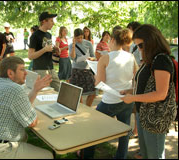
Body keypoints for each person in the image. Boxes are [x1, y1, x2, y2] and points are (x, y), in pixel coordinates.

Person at [0, 56, 53, 159]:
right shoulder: (15, 89)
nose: (26, 73)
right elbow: (32, 122)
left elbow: (22, 105)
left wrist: (35, 90)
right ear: (10, 73)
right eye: (22, 69)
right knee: (49, 155)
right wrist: (35, 112)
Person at [121, 24, 176, 159]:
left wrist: (133, 98)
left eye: (140, 45)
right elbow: (145, 85)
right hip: (143, 113)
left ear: (151, 41)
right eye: (137, 46)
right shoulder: (150, 59)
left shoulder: (161, 60)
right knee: (146, 154)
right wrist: (129, 91)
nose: (139, 49)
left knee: (154, 155)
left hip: (154, 117)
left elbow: (160, 93)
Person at [83, 28, 138, 159]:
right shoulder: (131, 57)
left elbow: (99, 83)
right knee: (125, 130)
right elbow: (136, 78)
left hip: (110, 101)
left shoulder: (105, 58)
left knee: (92, 129)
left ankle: (87, 155)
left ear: (112, 40)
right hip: (127, 99)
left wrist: (96, 71)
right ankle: (121, 156)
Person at [28, 12, 60, 92]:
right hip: (40, 70)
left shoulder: (48, 35)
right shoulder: (34, 36)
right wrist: (44, 50)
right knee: (45, 93)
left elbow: (47, 49)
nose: (53, 23)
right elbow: (30, 56)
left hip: (51, 68)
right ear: (44, 21)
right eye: (51, 20)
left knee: (59, 91)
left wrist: (55, 49)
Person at [69, 28, 96, 107]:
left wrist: (91, 59)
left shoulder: (88, 43)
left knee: (93, 92)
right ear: (74, 37)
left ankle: (88, 107)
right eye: (77, 38)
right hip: (76, 70)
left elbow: (93, 57)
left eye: (81, 37)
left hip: (87, 70)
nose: (80, 40)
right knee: (77, 93)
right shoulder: (71, 45)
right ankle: (81, 107)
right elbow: (73, 58)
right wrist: (74, 46)